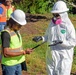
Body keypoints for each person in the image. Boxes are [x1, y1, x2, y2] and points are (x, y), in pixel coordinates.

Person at [32, 1, 76, 75]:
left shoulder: (68, 26)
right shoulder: (52, 23)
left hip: (63, 57)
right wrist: (42, 38)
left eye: (57, 15)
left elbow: (73, 42)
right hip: (51, 55)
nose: (55, 17)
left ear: (63, 14)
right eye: (54, 15)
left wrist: (62, 42)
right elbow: (48, 36)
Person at [1, 9, 33, 75]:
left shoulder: (16, 31)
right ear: (13, 22)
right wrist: (23, 52)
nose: (20, 27)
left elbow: (16, 47)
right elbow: (6, 53)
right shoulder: (6, 34)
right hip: (9, 65)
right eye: (19, 25)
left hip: (18, 63)